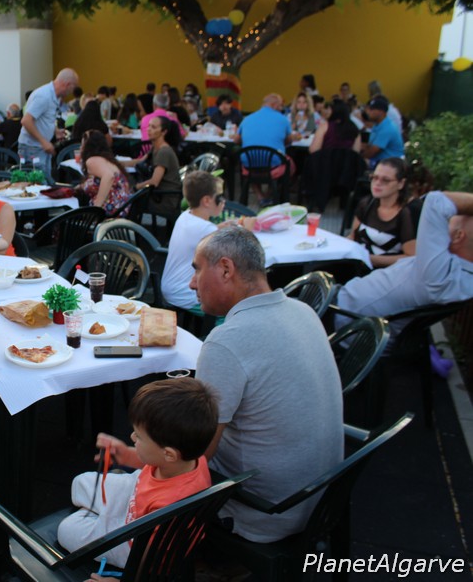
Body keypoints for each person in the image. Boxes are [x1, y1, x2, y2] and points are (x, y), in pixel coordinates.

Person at [190, 226, 343, 543]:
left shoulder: (226, 341)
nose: (192, 283)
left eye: (197, 269)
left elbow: (196, 454)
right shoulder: (304, 311)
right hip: (322, 500)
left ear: (226, 269)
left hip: (264, 511)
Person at [56, 377, 216, 570]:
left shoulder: (169, 508)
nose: (132, 437)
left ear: (168, 453)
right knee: (81, 482)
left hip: (134, 542)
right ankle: (104, 516)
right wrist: (125, 454)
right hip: (138, 495)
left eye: (139, 436)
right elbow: (154, 460)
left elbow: (151, 557)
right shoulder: (189, 457)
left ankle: (104, 519)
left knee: (66, 530)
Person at [337, 190, 473, 321]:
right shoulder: (460, 277)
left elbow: (437, 201)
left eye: (448, 222)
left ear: (458, 236)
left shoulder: (438, 272)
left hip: (340, 314)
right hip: (349, 308)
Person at [160, 172, 226, 310]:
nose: (223, 201)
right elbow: (231, 253)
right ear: (207, 201)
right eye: (220, 197)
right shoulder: (207, 229)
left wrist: (219, 228)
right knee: (231, 302)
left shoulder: (185, 216)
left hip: (169, 287)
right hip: (185, 294)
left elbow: (201, 233)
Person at [349, 158, 416, 268]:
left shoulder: (407, 213)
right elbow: (353, 237)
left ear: (401, 183)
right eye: (374, 177)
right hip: (358, 265)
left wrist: (369, 259)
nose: (377, 183)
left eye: (386, 180)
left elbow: (411, 256)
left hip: (389, 272)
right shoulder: (366, 203)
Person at [18, 68, 79, 184]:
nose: (72, 91)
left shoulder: (51, 96)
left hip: (38, 147)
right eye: (73, 87)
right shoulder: (44, 96)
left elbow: (42, 118)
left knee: (45, 183)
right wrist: (43, 141)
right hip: (33, 147)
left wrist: (54, 131)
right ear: (67, 84)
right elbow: (26, 121)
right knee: (39, 185)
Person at [235, 93, 296, 206]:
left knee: (251, 167)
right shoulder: (283, 120)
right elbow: (289, 141)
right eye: (281, 106)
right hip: (273, 166)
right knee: (290, 164)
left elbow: (237, 140)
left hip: (249, 166)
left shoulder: (247, 119)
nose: (282, 109)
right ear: (274, 105)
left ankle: (261, 196)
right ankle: (270, 193)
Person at [126, 116, 182, 219]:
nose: (149, 129)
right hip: (157, 194)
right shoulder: (155, 148)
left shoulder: (164, 152)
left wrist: (135, 188)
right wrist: (117, 163)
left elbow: (154, 182)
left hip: (164, 199)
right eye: (149, 126)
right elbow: (140, 161)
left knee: (130, 201)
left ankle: (130, 227)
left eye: (153, 127)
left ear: (164, 132)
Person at [77, 130, 132, 216]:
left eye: (82, 145)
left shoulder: (91, 161)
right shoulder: (106, 160)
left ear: (88, 147)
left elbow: (109, 176)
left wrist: (97, 206)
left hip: (110, 212)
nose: (80, 148)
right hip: (123, 209)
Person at [361, 96, 404, 167]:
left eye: (372, 109)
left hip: (392, 166)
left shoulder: (387, 128)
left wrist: (358, 157)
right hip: (381, 163)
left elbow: (371, 153)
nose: (368, 112)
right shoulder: (377, 125)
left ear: (381, 112)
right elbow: (368, 145)